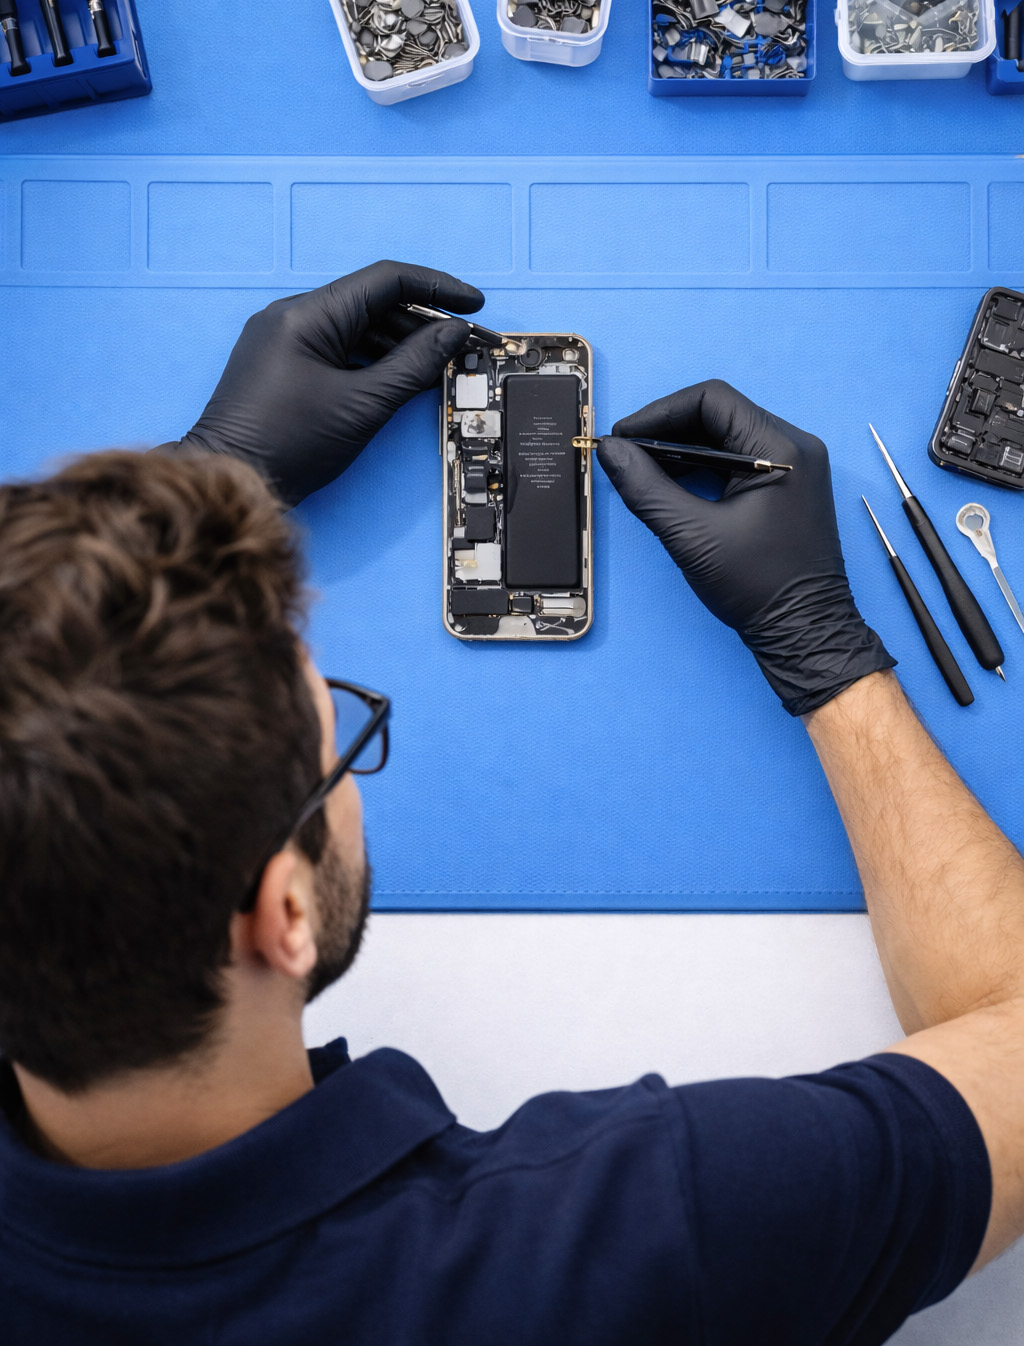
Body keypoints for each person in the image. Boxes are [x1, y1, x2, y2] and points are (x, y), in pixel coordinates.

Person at [0, 260, 1021, 1346]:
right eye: (337, 729)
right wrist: (820, 647)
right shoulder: (659, 1238)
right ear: (282, 915)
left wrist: (210, 487)